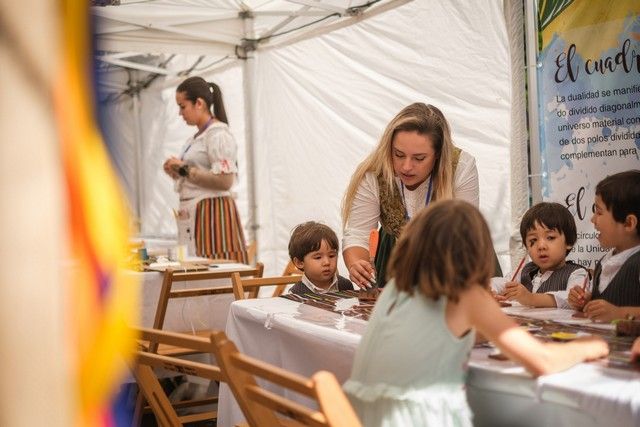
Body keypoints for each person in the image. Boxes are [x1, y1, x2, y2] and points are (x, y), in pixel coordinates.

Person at [343, 200, 608, 427]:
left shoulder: (394, 289)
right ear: (477, 250)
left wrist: (485, 334)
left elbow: (435, 335)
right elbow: (543, 361)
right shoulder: (468, 295)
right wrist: (586, 347)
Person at [342, 103, 489, 288]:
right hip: (395, 259)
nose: (406, 166)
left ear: (437, 155)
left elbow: (466, 236)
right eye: (398, 154)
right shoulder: (374, 173)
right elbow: (358, 234)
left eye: (419, 158)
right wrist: (357, 263)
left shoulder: (460, 166)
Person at [163, 76, 248, 263]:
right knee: (196, 266)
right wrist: (175, 171)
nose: (180, 113)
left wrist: (184, 169)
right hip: (196, 214)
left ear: (199, 103)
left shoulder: (218, 135)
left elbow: (225, 181)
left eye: (182, 106)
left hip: (212, 215)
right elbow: (195, 174)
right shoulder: (195, 138)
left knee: (214, 272)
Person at [568, 170, 640, 322]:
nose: (593, 219)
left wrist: (620, 314)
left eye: (599, 213)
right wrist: (588, 302)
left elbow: (615, 310)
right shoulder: (603, 262)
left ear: (629, 223)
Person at [492, 202, 588, 308]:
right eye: (533, 240)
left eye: (550, 238)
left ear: (569, 242)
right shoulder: (525, 271)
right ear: (526, 246)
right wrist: (490, 290)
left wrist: (529, 298)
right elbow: (502, 282)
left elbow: (568, 300)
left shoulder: (577, 274)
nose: (541, 246)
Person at [287, 221, 353, 295]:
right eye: (318, 257)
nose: (327, 262)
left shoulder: (345, 285)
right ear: (299, 262)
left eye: (331, 256)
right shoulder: (296, 293)